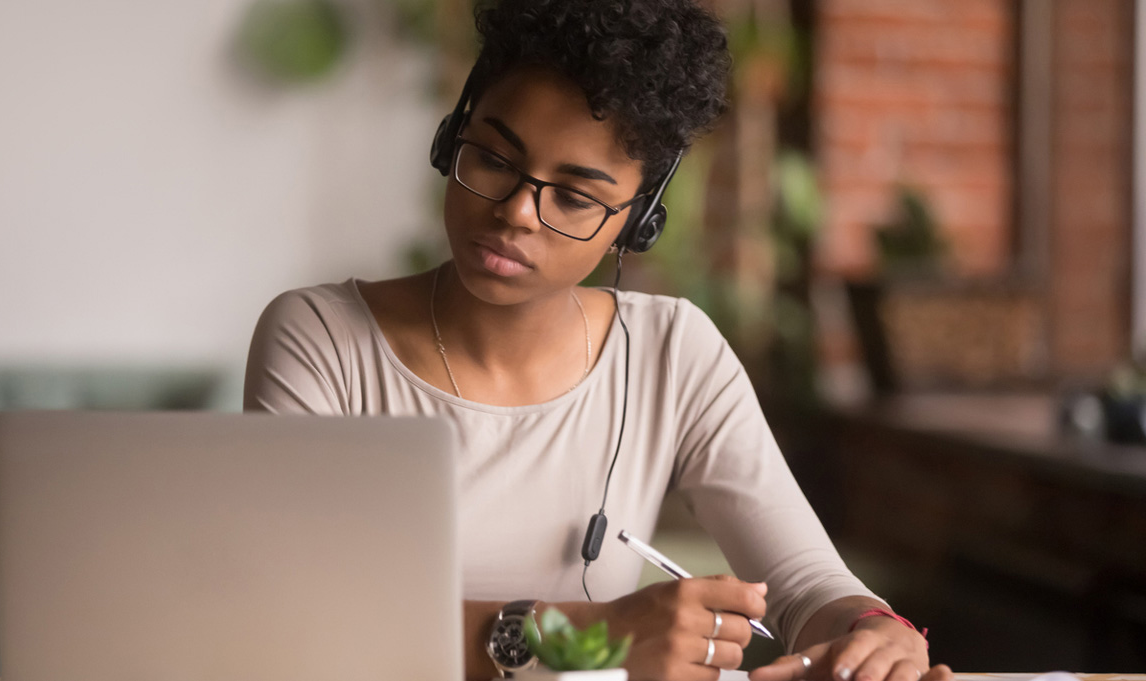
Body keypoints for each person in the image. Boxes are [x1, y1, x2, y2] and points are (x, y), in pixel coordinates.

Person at [244, 1, 954, 680]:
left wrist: (871, 630)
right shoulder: (321, 339)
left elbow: (806, 585)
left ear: (636, 221)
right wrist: (585, 639)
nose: (517, 212)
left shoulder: (673, 353)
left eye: (576, 197)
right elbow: (290, 614)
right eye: (492, 158)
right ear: (451, 136)